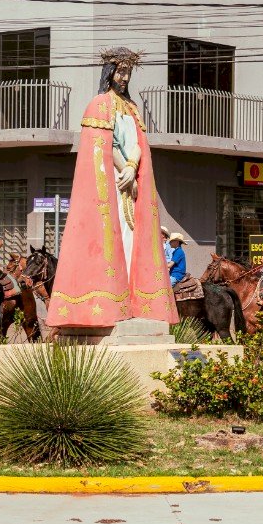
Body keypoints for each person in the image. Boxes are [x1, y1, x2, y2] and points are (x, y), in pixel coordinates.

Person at [47, 47, 176, 327]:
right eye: (120, 70)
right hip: (115, 182)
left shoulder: (132, 108)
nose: (124, 76)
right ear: (109, 72)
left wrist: (132, 167)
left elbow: (140, 145)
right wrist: (123, 169)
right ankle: (112, 299)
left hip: (131, 179)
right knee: (114, 237)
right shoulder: (100, 104)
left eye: (128, 71)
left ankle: (132, 299)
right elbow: (105, 143)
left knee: (133, 238)